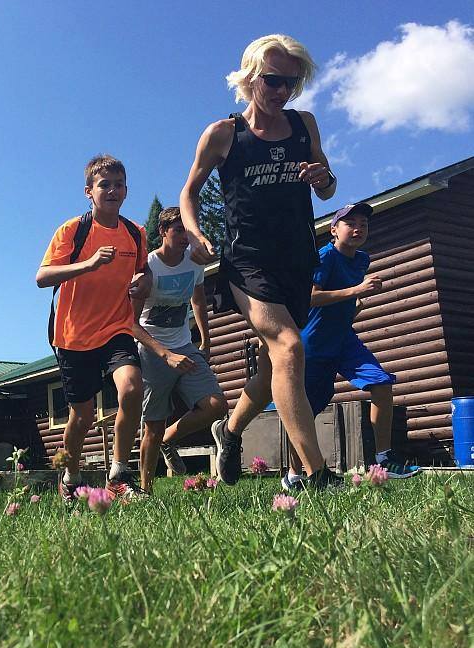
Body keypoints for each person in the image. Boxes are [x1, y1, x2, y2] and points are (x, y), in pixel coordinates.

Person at [179, 34, 344, 490]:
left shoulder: (304, 126)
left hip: (296, 259)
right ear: (250, 76)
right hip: (247, 261)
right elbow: (188, 193)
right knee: (291, 347)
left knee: (275, 367)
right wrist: (194, 233)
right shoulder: (223, 134)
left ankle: (228, 431)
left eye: (290, 83)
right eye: (273, 81)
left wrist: (322, 177)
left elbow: (329, 189)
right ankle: (317, 475)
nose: (281, 92)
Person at [283, 203, 421, 490]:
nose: (359, 228)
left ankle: (383, 459)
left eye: (364, 224)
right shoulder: (324, 256)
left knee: (381, 383)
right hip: (314, 343)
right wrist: (357, 290)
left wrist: (355, 304)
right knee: (307, 410)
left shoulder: (361, 260)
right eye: (351, 223)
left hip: (344, 339)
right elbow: (309, 297)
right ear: (334, 229)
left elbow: (342, 303)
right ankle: (294, 475)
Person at [37, 154, 148, 502]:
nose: (112, 190)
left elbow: (143, 274)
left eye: (119, 185)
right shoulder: (73, 230)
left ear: (127, 190)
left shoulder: (136, 233)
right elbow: (42, 278)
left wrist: (143, 284)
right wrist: (87, 263)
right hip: (73, 334)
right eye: (104, 185)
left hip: (116, 327)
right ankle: (70, 476)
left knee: (131, 389)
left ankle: (118, 473)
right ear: (89, 191)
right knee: (82, 416)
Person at [132, 207, 227, 491]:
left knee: (215, 405)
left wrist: (206, 341)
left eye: (188, 231)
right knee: (153, 424)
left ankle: (168, 439)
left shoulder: (194, 262)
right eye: (178, 232)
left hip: (185, 345)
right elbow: (130, 324)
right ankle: (145, 490)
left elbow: (198, 299)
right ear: (162, 232)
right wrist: (165, 354)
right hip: (152, 350)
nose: (185, 238)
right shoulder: (147, 267)